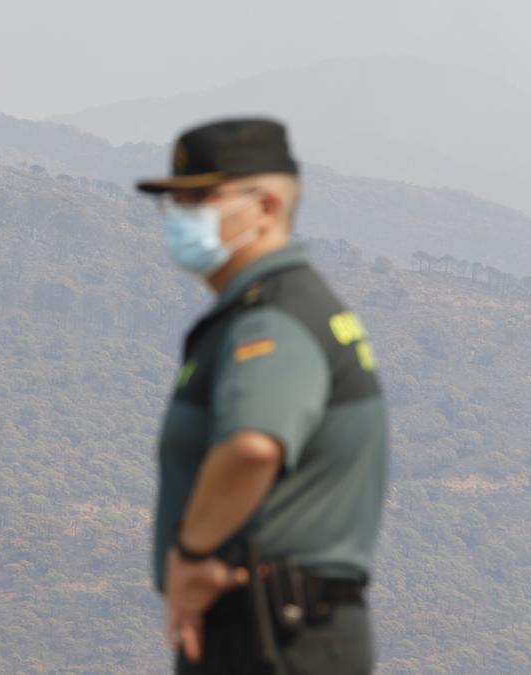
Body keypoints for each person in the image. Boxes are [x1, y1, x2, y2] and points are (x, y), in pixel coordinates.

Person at [136, 118, 389, 674]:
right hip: (280, 626)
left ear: (268, 206)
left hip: (274, 636)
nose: (183, 216)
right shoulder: (280, 309)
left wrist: (193, 555)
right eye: (176, 202)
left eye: (201, 198)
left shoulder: (273, 320)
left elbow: (253, 446)